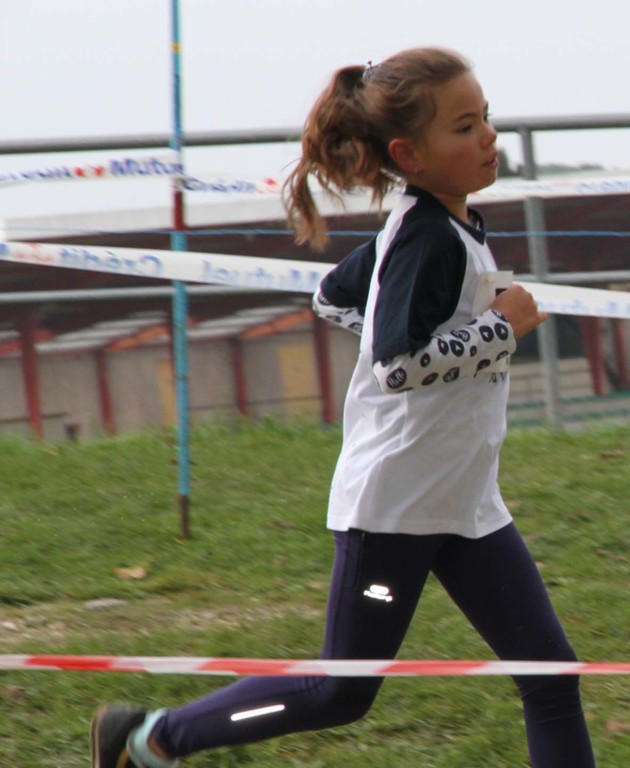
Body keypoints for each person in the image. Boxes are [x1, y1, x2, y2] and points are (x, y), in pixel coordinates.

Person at [91, 46, 595, 768]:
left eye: (486, 117)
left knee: (550, 677)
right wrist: (498, 330)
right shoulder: (425, 237)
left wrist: (463, 336)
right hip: (395, 510)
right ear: (408, 154)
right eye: (463, 127)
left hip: (465, 501)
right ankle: (150, 739)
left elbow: (332, 297)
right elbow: (397, 366)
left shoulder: (448, 225)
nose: (488, 136)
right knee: (339, 691)